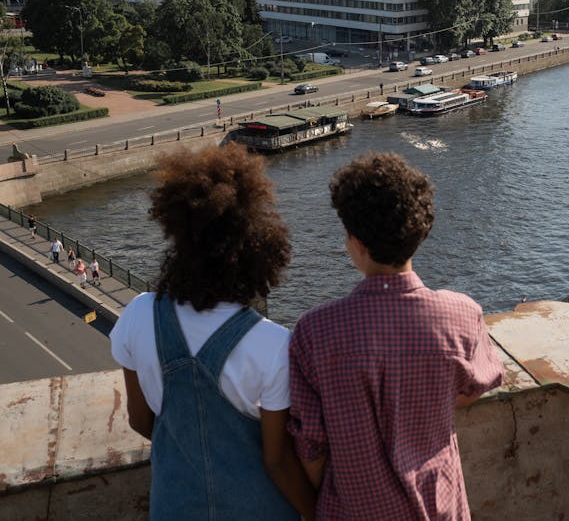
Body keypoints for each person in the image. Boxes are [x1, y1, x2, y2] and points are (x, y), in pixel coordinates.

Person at [289, 152, 505, 519]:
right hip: (440, 503)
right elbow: (476, 386)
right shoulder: (462, 314)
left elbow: (311, 445)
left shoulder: (315, 330)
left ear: (356, 242)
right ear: (420, 233)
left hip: (355, 509)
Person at [109, 143, 314, 520]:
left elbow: (140, 421)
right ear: (257, 251)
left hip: (173, 506)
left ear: (178, 237)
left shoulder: (138, 315)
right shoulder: (273, 344)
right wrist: (313, 512)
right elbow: (277, 460)